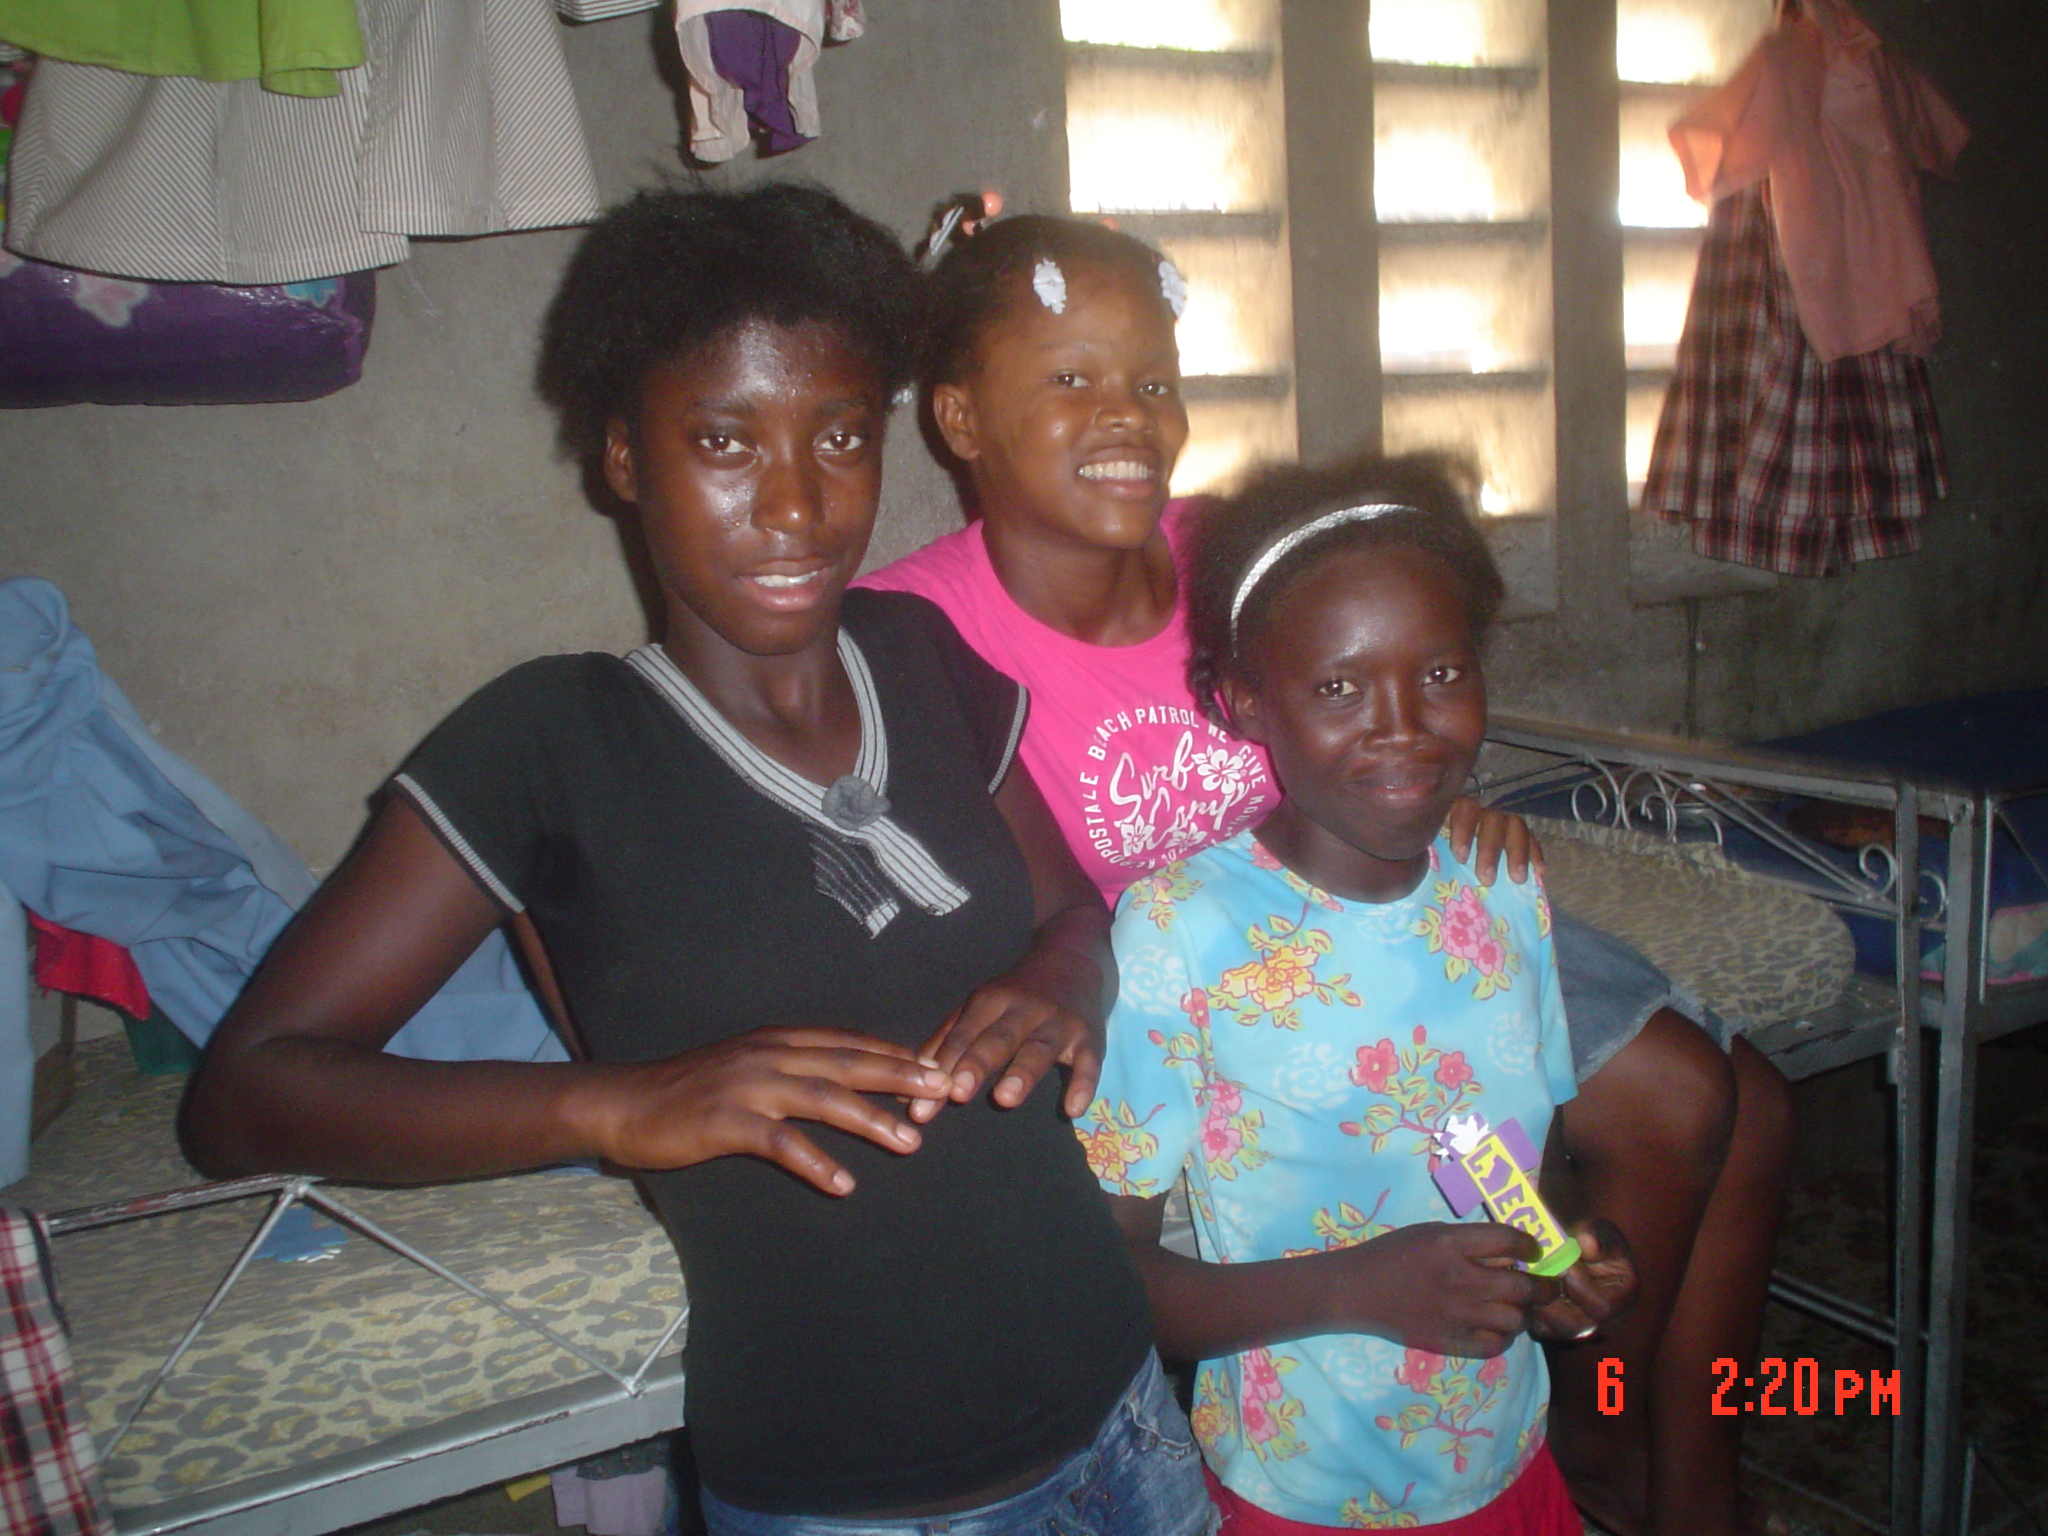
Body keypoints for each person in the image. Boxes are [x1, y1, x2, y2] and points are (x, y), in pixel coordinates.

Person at [182, 183, 1216, 1536]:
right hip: (850, 1500)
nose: (795, 503)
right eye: (725, 440)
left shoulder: (920, 656)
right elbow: (244, 1096)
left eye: (839, 436)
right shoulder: (546, 744)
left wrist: (1065, 977)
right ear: (624, 456)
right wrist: (616, 1108)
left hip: (1127, 1424)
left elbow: (1069, 907)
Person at [859, 206, 1794, 1536]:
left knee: (1745, 1101)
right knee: (1684, 1098)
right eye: (1070, 378)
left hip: (1385, 898)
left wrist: (1451, 799)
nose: (1125, 415)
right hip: (1190, 972)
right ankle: (1602, 1440)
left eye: (1153, 382)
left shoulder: (1226, 548)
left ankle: (1665, 1470)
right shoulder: (917, 628)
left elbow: (1387, 659)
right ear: (957, 418)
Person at [1085, 450, 1638, 1532]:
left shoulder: (1501, 886)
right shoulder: (1182, 932)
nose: (1402, 726)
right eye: (1338, 688)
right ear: (1245, 702)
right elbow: (1108, 1280)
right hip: (1303, 1493)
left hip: (1508, 1462)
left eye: (1441, 673)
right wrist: (1354, 1290)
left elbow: (1532, 1158)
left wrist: (1565, 1259)